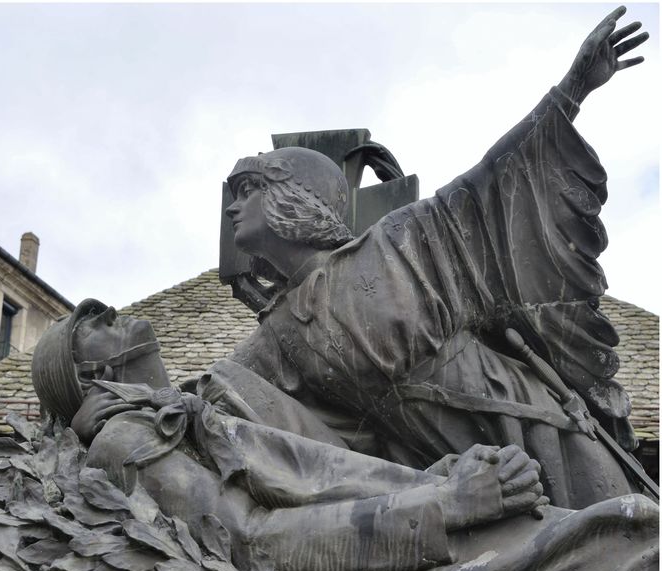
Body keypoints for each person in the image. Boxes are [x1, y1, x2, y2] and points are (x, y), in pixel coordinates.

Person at [29, 298, 658, 571]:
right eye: (97, 325)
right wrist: (451, 505)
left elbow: (337, 475)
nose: (117, 314)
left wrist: (450, 473)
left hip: (424, 540)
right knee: (631, 541)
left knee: (632, 543)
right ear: (93, 377)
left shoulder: (195, 405)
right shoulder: (125, 438)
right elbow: (255, 546)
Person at [221, 7, 651, 509]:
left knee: (629, 535)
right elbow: (214, 395)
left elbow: (495, 177)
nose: (232, 206)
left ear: (291, 198)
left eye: (248, 190)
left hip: (534, 427)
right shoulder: (278, 334)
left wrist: (573, 89)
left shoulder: (395, 243)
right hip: (454, 476)